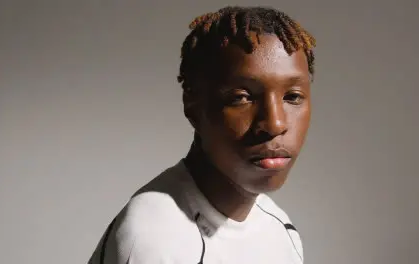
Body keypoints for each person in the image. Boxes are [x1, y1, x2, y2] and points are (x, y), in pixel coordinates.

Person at [88, 5, 316, 264]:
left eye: (292, 97)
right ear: (193, 105)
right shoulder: (154, 238)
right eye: (242, 97)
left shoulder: (280, 230)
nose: (275, 124)